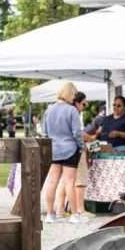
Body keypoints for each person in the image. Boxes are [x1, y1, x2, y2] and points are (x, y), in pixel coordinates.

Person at [41, 82, 85, 223]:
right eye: (74, 94)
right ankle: (74, 215)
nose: (74, 97)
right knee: (69, 182)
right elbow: (77, 133)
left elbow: (45, 132)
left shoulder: (49, 110)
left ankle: (49, 214)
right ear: (69, 94)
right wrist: (82, 146)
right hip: (70, 149)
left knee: (52, 181)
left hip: (53, 149)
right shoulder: (72, 110)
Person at [72, 92, 91, 218]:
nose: (85, 106)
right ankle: (80, 209)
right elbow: (78, 134)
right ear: (77, 103)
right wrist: (83, 145)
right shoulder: (74, 114)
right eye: (84, 103)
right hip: (76, 149)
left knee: (66, 181)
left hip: (65, 150)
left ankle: (63, 209)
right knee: (80, 179)